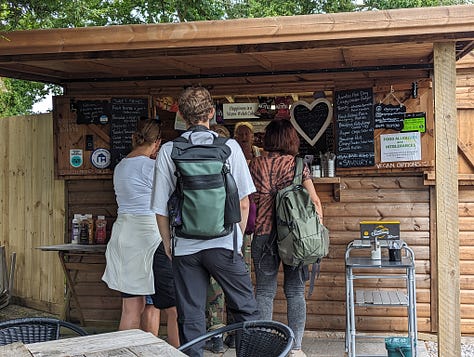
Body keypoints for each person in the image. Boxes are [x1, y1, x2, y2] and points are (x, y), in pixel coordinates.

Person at [151, 86, 260, 357]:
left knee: (190, 314)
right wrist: (236, 239)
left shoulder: (168, 150)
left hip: (185, 247)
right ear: (212, 112)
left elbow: (160, 208)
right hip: (224, 243)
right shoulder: (230, 147)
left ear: (182, 115)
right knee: (246, 307)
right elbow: (244, 202)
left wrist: (168, 244)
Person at [248, 119, 324, 357]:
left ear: (269, 139)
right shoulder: (298, 165)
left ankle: (262, 348)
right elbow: (314, 202)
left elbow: (246, 201)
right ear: (291, 139)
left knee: (264, 293)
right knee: (294, 291)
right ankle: (296, 348)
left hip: (262, 233)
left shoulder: (255, 164)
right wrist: (317, 231)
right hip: (295, 238)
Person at [102, 120, 179, 349]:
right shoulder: (151, 167)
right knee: (174, 308)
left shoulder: (120, 166)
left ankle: (122, 354)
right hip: (150, 238)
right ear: (157, 143)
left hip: (123, 236)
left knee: (130, 309)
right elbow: (171, 197)